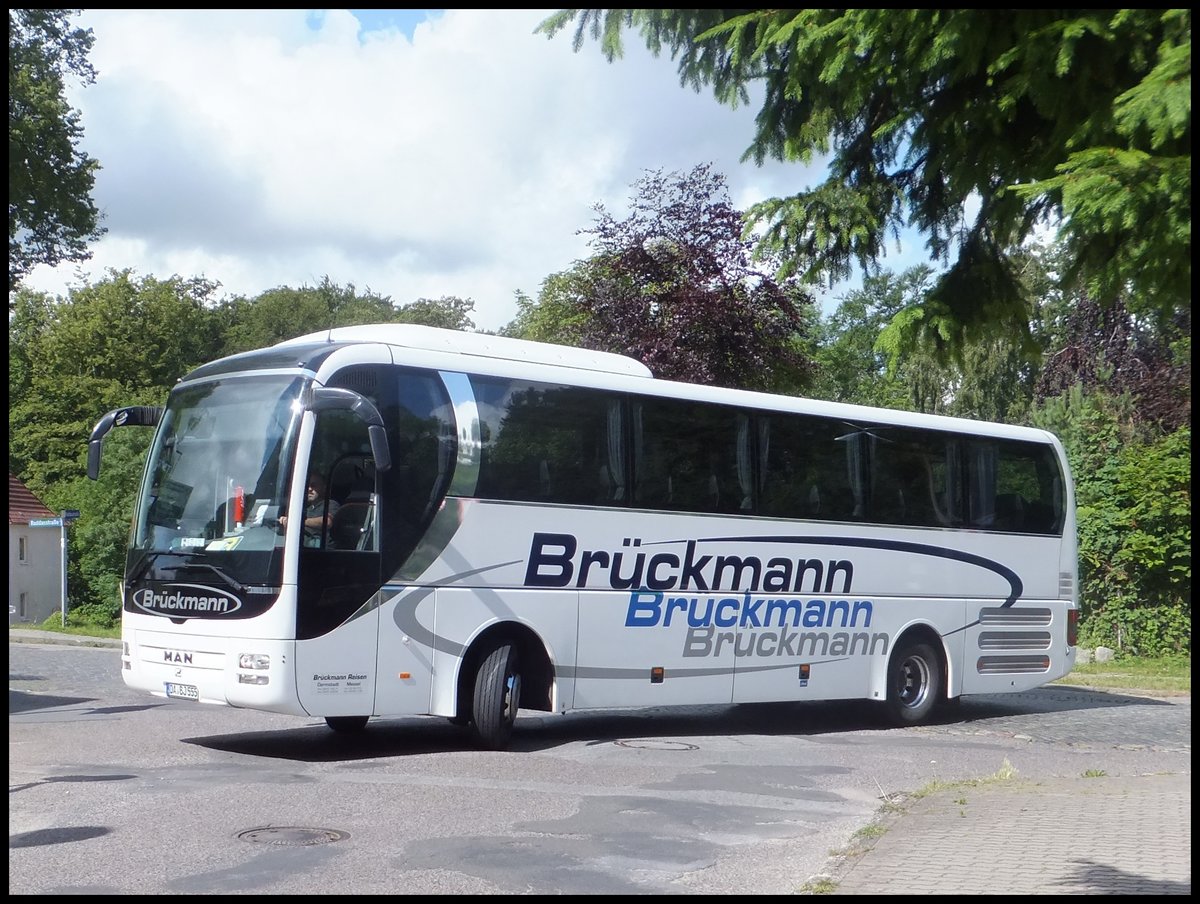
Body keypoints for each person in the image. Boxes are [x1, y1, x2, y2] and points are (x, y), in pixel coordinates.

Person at [280, 474, 340, 547]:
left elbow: (327, 522)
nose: (309, 489)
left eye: (313, 485)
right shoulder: (304, 509)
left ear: (324, 488)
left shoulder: (330, 504)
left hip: (322, 553)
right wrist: (285, 522)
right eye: (307, 486)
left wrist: (298, 522)